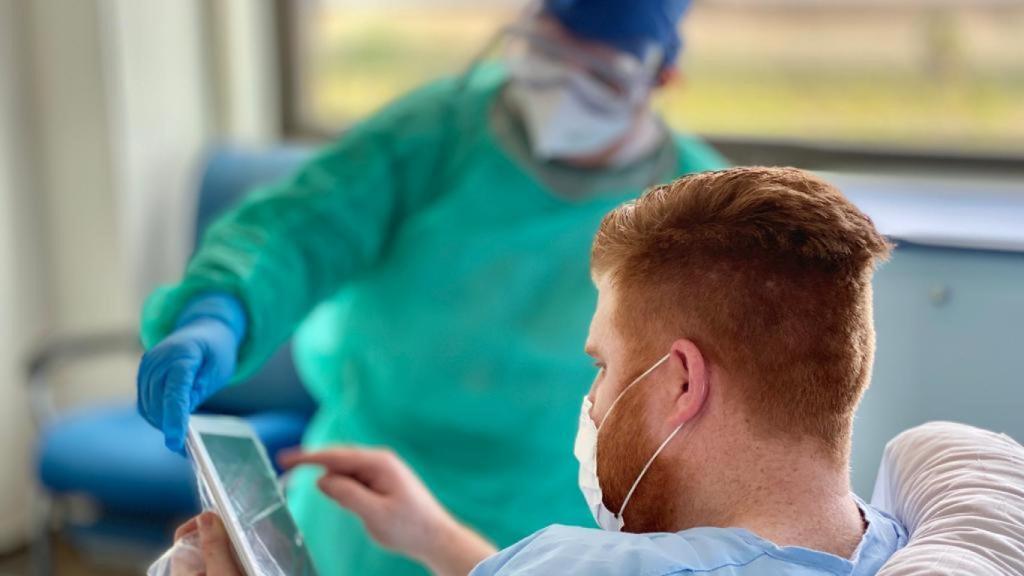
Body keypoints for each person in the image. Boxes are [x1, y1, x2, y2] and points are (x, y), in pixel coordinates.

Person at [135, 0, 726, 573]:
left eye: (598, 72)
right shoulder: (440, 133)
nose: (563, 84)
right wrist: (221, 309)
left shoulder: (700, 215)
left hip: (549, 529)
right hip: (358, 505)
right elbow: (301, 227)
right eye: (547, 51)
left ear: (662, 78)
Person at [177, 167, 908, 575]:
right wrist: (434, 537)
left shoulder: (573, 564)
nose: (591, 401)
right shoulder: (900, 544)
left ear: (683, 383)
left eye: (603, 366)